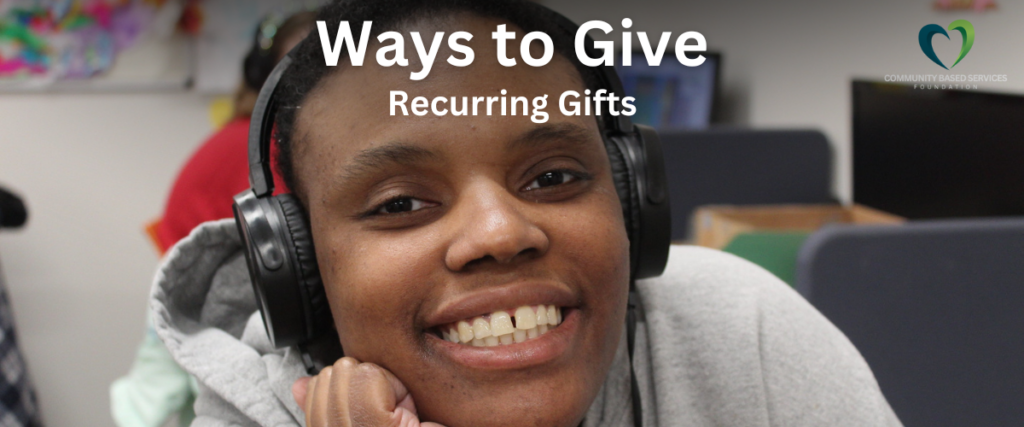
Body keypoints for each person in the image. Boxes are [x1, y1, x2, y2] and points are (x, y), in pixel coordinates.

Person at [150, 1, 903, 426]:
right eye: (401, 202)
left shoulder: (745, 332)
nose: (502, 231)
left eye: (552, 176)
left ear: (632, 203)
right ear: (302, 267)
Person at [110, 12, 315, 427]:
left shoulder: (242, 133)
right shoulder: (272, 146)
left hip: (185, 289)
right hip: (215, 300)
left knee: (152, 404)